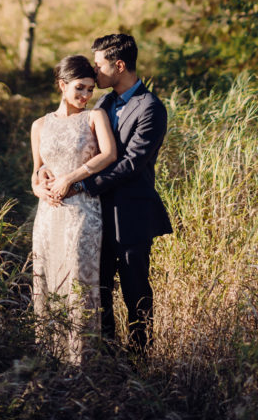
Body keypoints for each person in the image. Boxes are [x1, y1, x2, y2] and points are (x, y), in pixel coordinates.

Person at [67, 33, 172, 354]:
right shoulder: (105, 102)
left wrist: (84, 184)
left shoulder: (151, 108)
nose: (94, 72)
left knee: (135, 290)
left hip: (132, 216)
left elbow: (132, 163)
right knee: (98, 290)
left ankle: (140, 356)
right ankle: (107, 355)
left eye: (99, 66)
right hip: (95, 215)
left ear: (120, 65)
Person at [31, 54, 116, 362]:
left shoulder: (94, 117)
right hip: (48, 213)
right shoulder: (39, 125)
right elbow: (36, 171)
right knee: (47, 278)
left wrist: (71, 177)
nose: (86, 96)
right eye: (80, 88)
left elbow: (109, 154)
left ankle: (81, 360)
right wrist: (39, 185)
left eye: (90, 89)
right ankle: (49, 355)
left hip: (82, 209)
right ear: (62, 85)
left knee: (79, 278)